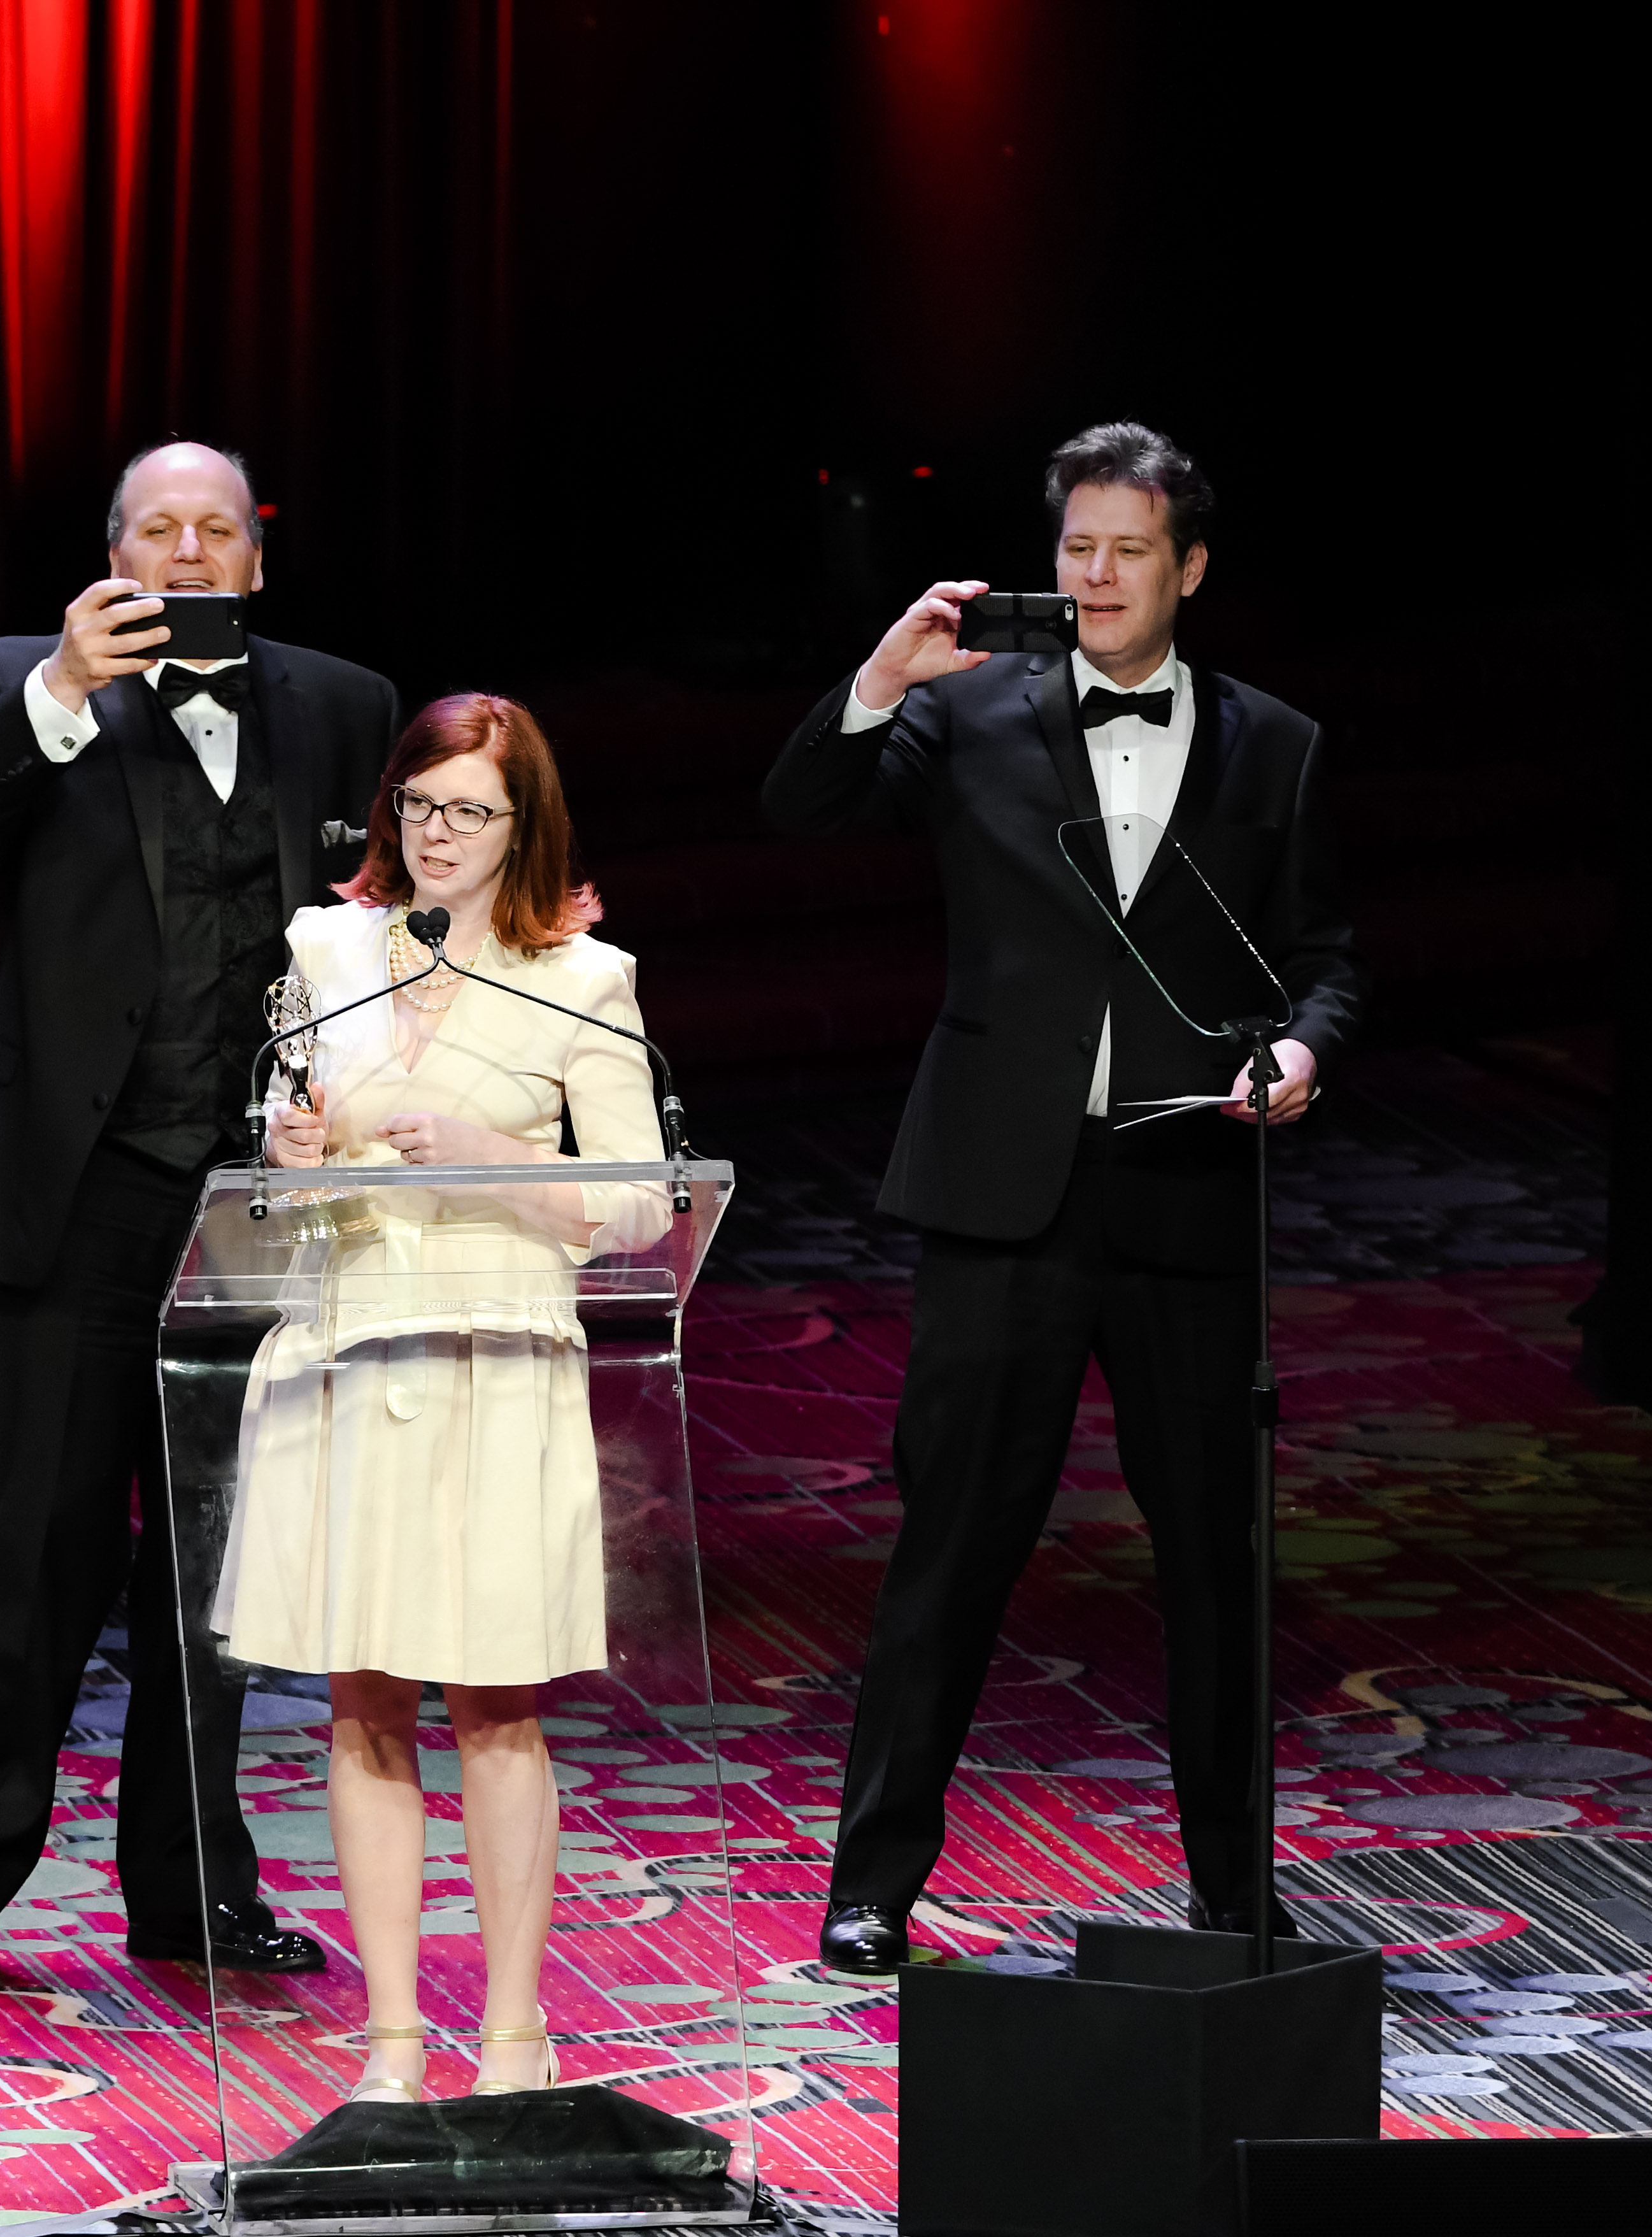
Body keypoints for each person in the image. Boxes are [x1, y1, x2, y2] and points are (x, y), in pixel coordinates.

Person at [760, 422, 1364, 1975]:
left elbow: (1324, 956)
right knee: (950, 1547)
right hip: (1001, 1192)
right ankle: (871, 1886)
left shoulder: (1276, 742)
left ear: (1190, 568)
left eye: (1127, 551)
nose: (1094, 577)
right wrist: (882, 677)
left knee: (1214, 1564)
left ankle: (1233, 1890)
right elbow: (802, 807)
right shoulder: (969, 710)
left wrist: (1301, 1049)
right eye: (1075, 548)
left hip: (1184, 1189)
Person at [0, 440, 400, 1980]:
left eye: (216, 529)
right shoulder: (19, 679)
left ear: (259, 553)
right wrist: (65, 684)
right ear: (113, 554)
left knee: (217, 1575)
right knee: (39, 1561)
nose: (189, 552)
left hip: (254, 1210)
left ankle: (191, 1891)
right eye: (158, 530)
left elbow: (380, 923)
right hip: (73, 1195)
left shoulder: (345, 704)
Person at [231, 693, 667, 2102]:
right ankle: (392, 2043)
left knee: (494, 1703)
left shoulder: (584, 979)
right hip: (351, 1338)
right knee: (362, 1700)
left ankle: (515, 2037)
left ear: (524, 827)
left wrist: (493, 1151)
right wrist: (294, 1152)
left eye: (470, 812)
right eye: (418, 807)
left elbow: (644, 1208)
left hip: (495, 1357)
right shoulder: (329, 948)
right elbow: (291, 1135)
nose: (437, 836)